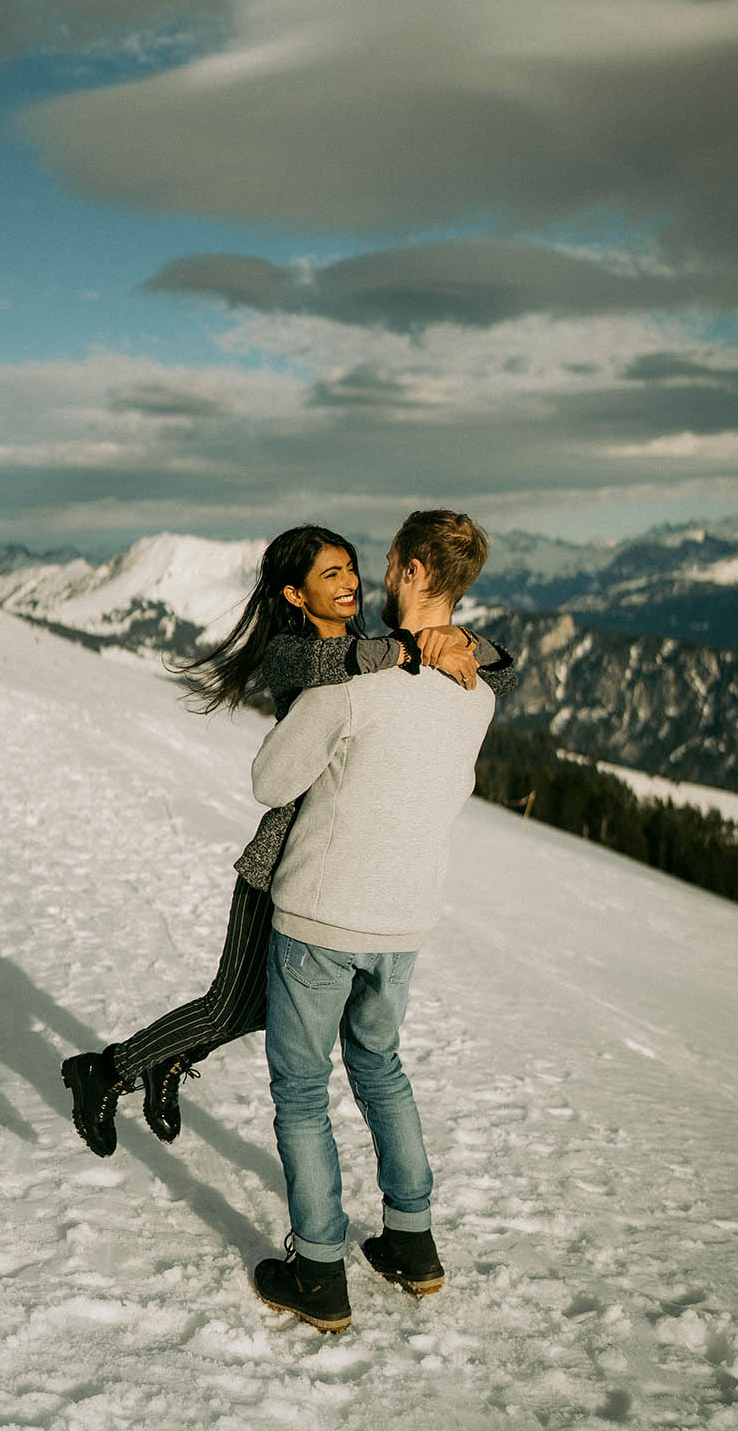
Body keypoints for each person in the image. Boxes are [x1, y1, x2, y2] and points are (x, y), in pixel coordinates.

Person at [61, 523, 514, 1157]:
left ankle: (164, 1060)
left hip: (331, 873)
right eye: (331, 575)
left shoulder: (371, 648)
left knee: (268, 1009)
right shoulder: (296, 654)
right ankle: (107, 1070)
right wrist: (420, 649)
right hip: (279, 866)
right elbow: (351, 667)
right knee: (229, 1009)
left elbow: (500, 672)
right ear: (296, 596)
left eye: (353, 568)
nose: (352, 582)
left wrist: (458, 640)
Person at [251, 510, 497, 1334]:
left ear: (412, 571)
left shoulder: (348, 689)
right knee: (381, 1068)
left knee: (299, 1091)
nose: (379, 579)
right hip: (403, 921)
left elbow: (270, 779)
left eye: (390, 565)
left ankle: (318, 1270)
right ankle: (410, 1243)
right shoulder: (476, 694)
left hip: (321, 913)